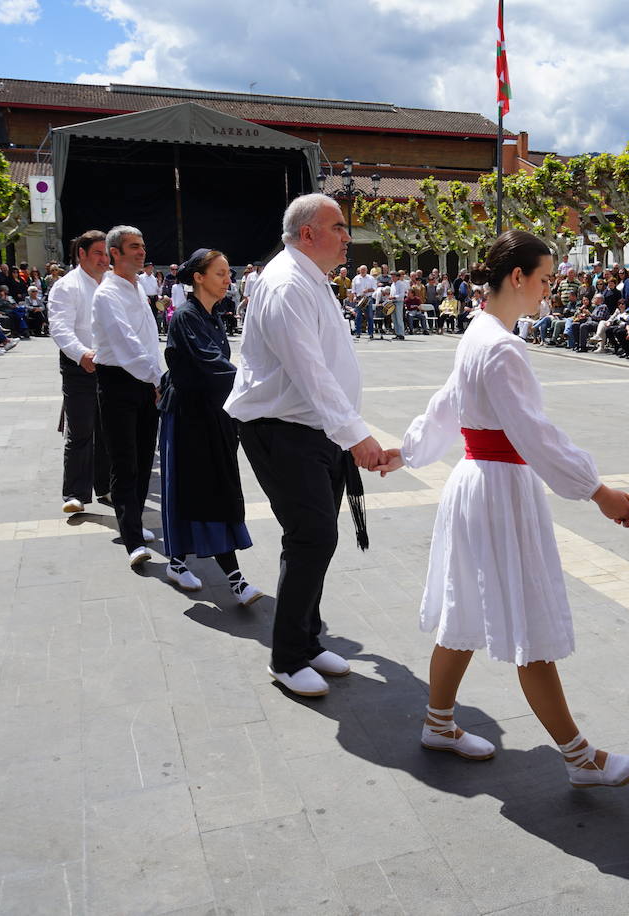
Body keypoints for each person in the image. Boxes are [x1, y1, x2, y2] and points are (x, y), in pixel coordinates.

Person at [378, 230, 629, 785]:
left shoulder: (479, 333)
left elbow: (447, 406)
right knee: (527, 619)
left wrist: (406, 453)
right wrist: (598, 492)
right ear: (518, 277)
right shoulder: (501, 345)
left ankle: (439, 721)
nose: (548, 292)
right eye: (545, 279)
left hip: (479, 483)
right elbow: (534, 434)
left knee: (466, 608)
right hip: (499, 486)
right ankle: (579, 758)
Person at [227, 193, 384, 698]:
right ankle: (288, 657)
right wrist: (356, 434)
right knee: (311, 537)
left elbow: (326, 365)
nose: (347, 236)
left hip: (314, 430)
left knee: (317, 538)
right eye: (339, 227)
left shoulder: (309, 279)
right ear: (308, 232)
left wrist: (345, 429)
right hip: (284, 430)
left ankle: (309, 640)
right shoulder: (286, 283)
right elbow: (309, 372)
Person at [158, 247, 263, 605]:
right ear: (198, 278)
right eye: (220, 273)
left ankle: (175, 560)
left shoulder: (214, 316)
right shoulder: (185, 316)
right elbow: (210, 364)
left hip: (212, 414)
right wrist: (257, 384)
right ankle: (235, 580)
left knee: (207, 489)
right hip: (189, 417)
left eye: (228, 274)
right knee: (203, 489)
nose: (227, 279)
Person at [93, 227, 163, 565]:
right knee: (124, 462)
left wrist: (159, 376)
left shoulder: (137, 288)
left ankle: (133, 520)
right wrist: (159, 377)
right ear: (114, 254)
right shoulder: (107, 294)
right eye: (134, 247)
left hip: (145, 382)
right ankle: (133, 539)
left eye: (143, 245)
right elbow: (126, 344)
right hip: (118, 382)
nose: (141, 252)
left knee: (144, 457)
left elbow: (149, 340)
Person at [50, 230, 112, 516]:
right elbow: (60, 327)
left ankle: (106, 486)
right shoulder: (67, 286)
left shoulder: (111, 281)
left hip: (111, 366)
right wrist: (81, 353)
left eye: (106, 252)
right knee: (81, 430)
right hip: (80, 366)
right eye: (97, 252)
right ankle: (75, 492)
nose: (104, 258)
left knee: (108, 429)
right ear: (82, 254)